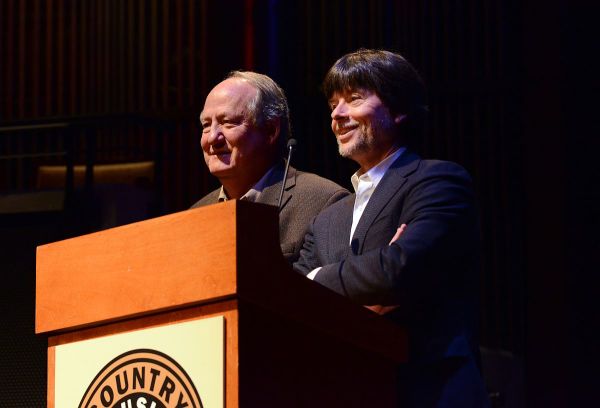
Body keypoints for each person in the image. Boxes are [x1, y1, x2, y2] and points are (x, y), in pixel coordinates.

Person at [294, 49, 489, 407]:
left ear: (399, 110)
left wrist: (317, 278)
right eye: (333, 104)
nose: (337, 115)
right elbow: (292, 302)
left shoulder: (438, 181)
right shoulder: (327, 220)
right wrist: (371, 284)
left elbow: (400, 269)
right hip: (346, 391)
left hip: (428, 390)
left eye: (354, 99)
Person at [192, 71, 349, 263]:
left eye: (228, 123)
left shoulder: (325, 202)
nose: (211, 138)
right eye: (206, 126)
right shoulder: (194, 216)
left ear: (270, 131)